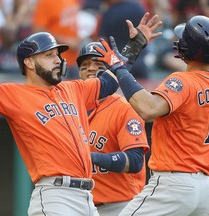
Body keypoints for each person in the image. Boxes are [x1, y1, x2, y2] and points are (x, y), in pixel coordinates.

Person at [0, 22, 121, 215]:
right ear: (29, 62)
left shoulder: (74, 88)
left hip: (87, 197)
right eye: (49, 55)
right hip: (56, 196)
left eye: (57, 55)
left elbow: (109, 82)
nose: (57, 60)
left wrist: (132, 50)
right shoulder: (16, 95)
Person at [93, 12, 209, 216]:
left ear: (187, 49)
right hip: (204, 189)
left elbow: (148, 109)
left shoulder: (184, 81)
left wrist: (120, 69)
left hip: (173, 185)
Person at [76, 42, 150, 216]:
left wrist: (90, 157)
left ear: (110, 70)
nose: (90, 69)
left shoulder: (124, 108)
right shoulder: (73, 111)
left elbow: (134, 160)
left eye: (98, 65)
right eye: (84, 66)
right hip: (83, 204)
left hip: (122, 205)